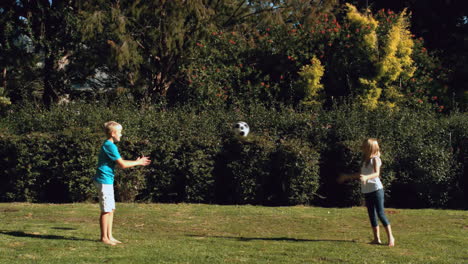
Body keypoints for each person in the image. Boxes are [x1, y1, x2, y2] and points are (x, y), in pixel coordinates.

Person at [94, 121, 151, 245]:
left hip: (107, 180)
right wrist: (138, 162)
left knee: (111, 209)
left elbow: (120, 163)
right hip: (104, 181)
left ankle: (109, 236)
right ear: (113, 133)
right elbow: (123, 164)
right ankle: (104, 238)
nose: (121, 134)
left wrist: (135, 162)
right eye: (120, 132)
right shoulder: (110, 146)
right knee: (106, 210)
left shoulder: (109, 145)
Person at [338, 138, 395, 247]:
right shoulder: (365, 160)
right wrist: (347, 177)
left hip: (376, 190)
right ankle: (376, 239)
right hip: (367, 191)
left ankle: (391, 238)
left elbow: (377, 174)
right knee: (371, 215)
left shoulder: (375, 159)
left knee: (380, 214)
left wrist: (366, 177)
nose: (363, 148)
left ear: (370, 148)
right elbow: (361, 174)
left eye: (365, 146)